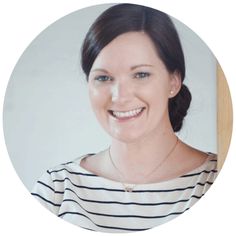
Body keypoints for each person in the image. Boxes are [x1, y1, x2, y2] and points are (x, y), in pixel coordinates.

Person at [31, 3, 218, 233]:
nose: (120, 96)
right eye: (103, 78)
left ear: (173, 82)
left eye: (141, 74)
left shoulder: (216, 180)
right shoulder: (57, 188)